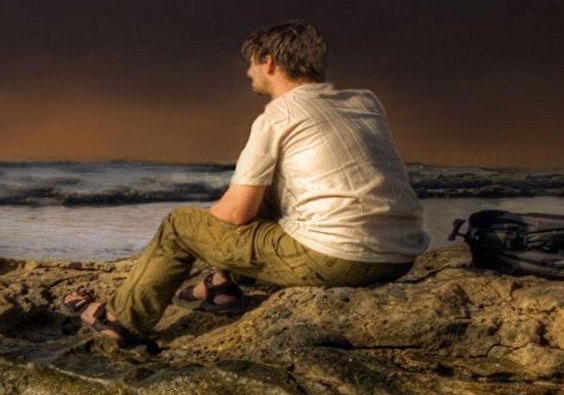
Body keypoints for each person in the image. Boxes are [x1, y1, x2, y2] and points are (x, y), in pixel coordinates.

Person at [64, 22, 426, 347]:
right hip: (400, 256)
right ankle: (221, 285)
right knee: (269, 193)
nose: (248, 71)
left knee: (180, 226)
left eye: (251, 62)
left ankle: (121, 320)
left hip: (338, 259)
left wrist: (204, 235)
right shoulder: (366, 101)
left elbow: (236, 214)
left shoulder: (278, 115)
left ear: (268, 62)